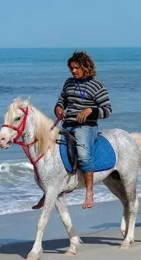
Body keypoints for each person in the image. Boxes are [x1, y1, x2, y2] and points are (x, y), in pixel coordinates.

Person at [33, 51, 112, 210]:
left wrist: (90, 110)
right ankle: (49, 191)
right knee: (51, 154)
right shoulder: (68, 83)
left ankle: (89, 192)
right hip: (67, 124)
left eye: (76, 68)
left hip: (86, 127)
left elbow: (107, 110)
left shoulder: (98, 86)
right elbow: (61, 101)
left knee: (83, 155)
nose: (73, 71)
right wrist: (59, 109)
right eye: (71, 69)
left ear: (85, 67)